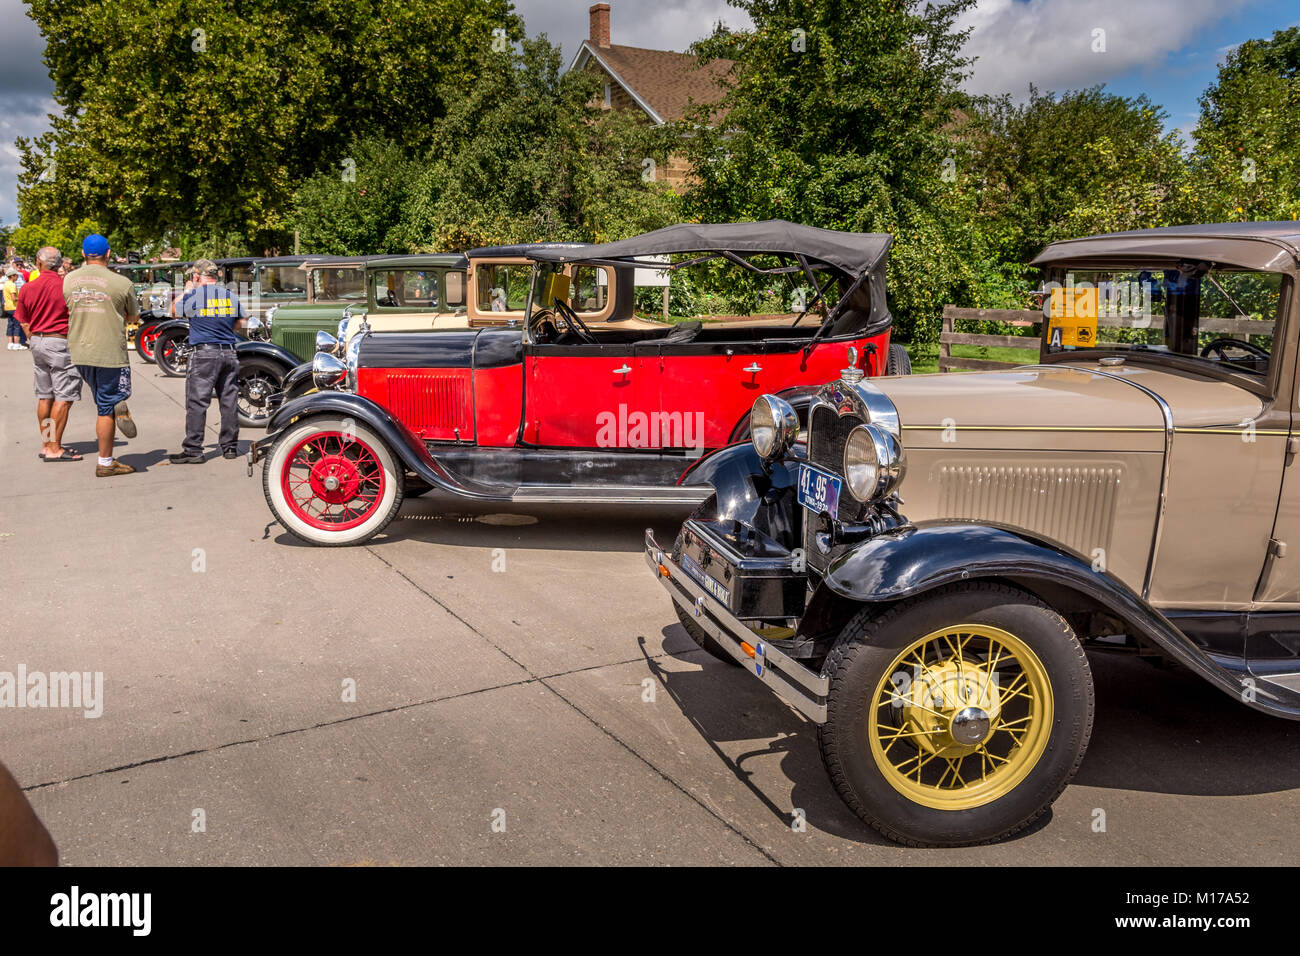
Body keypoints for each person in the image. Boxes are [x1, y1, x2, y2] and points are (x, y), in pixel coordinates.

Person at [64, 234, 139, 477]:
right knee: (105, 407)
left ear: (84, 255)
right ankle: (105, 463)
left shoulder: (68, 280)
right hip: (109, 352)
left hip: (79, 350)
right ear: (108, 254)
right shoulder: (122, 282)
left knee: (101, 394)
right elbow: (132, 317)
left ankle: (117, 399)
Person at [169, 259, 244, 463]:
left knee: (197, 402)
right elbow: (238, 324)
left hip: (203, 353)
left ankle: (194, 449)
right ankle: (230, 447)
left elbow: (173, 311)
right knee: (228, 401)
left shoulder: (193, 295)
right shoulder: (230, 295)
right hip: (229, 352)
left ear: (196, 276)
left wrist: (186, 290)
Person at [16, 246, 82, 461]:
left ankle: (47, 443)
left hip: (38, 340)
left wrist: (33, 338)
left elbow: (23, 319)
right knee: (63, 397)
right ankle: (54, 447)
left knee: (45, 396)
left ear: (39, 262)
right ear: (60, 263)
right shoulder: (65, 287)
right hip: (59, 341)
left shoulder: (28, 287)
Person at [3, 266, 22, 350]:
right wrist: (21, 298)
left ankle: (10, 343)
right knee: (17, 325)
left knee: (10, 325)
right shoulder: (12, 285)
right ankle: (16, 343)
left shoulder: (6, 284)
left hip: (7, 307)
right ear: (12, 276)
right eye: (16, 275)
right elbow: (14, 298)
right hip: (14, 307)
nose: (17, 277)